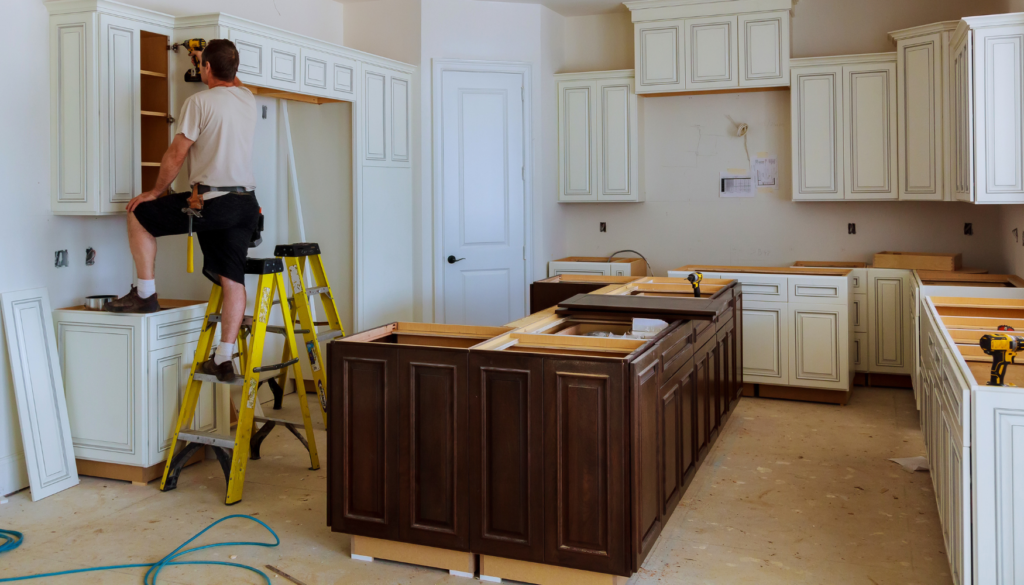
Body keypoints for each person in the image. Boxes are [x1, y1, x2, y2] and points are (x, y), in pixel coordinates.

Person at [104, 39, 258, 383]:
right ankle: (223, 358)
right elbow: (229, 77)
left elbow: (176, 154)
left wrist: (156, 192)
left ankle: (145, 294)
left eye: (202, 64)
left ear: (206, 68)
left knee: (138, 215)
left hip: (212, 201)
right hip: (245, 203)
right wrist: (208, 59)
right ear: (235, 69)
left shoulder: (198, 102)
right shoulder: (247, 98)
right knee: (233, 279)